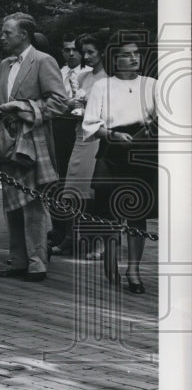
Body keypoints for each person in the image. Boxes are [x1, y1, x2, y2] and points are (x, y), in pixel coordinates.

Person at [0, 13, 68, 282]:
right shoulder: (4, 65)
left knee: (33, 204)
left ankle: (37, 264)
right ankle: (18, 261)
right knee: (11, 203)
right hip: (7, 143)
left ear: (23, 34)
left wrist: (24, 109)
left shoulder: (44, 61)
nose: (2, 37)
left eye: (7, 32)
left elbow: (60, 102)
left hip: (33, 143)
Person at [82, 34, 157, 293]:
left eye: (137, 53)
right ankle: (111, 260)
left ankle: (134, 270)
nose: (133, 57)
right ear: (115, 57)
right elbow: (91, 123)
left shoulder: (152, 85)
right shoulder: (102, 86)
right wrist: (112, 135)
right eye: (127, 53)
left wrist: (152, 128)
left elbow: (167, 118)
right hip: (112, 152)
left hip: (141, 156)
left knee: (138, 214)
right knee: (109, 213)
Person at [54, 31, 109, 257]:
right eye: (83, 52)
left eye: (90, 52)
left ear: (103, 52)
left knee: (93, 192)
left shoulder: (108, 78)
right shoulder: (84, 77)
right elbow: (72, 102)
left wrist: (86, 111)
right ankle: (72, 237)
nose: (85, 56)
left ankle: (99, 242)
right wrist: (73, 105)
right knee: (74, 190)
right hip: (79, 137)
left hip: (97, 139)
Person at [49, 33, 94, 255]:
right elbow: (52, 100)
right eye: (66, 50)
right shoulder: (59, 72)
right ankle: (61, 231)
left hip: (80, 130)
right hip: (59, 128)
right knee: (58, 183)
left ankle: (81, 235)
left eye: (74, 50)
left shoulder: (88, 74)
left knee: (79, 184)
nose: (71, 54)